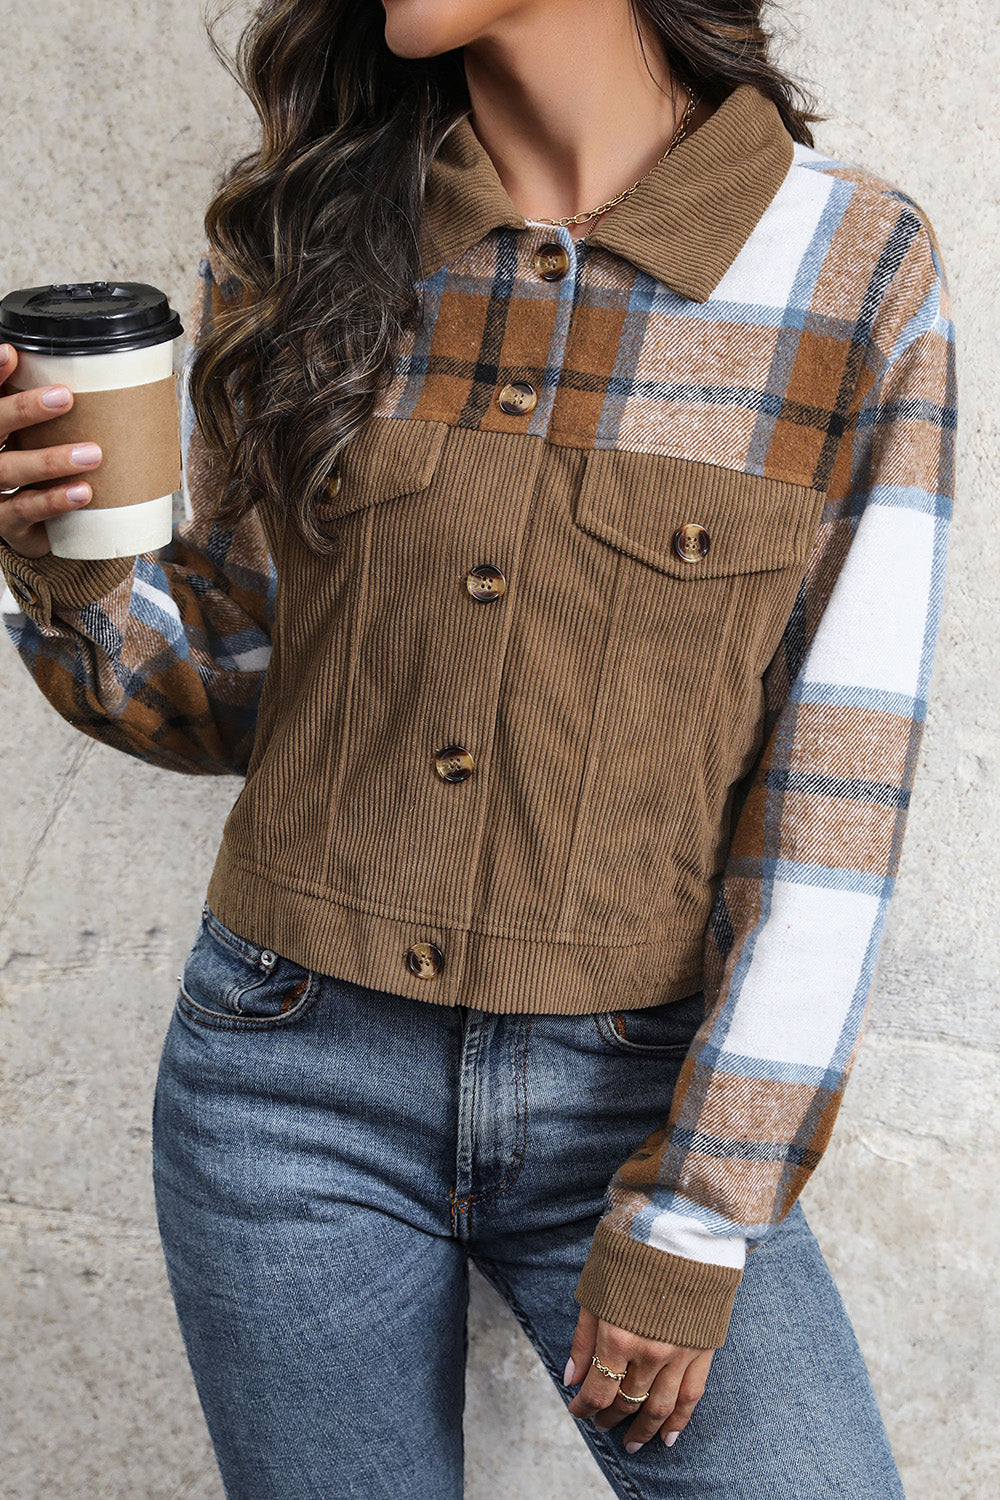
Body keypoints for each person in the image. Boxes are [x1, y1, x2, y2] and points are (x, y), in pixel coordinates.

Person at [0, 1, 957, 1496]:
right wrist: (65, 570)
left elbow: (840, 788)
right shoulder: (309, 231)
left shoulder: (850, 271)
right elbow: (230, 686)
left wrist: (704, 1208)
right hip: (283, 1086)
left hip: (634, 1107)